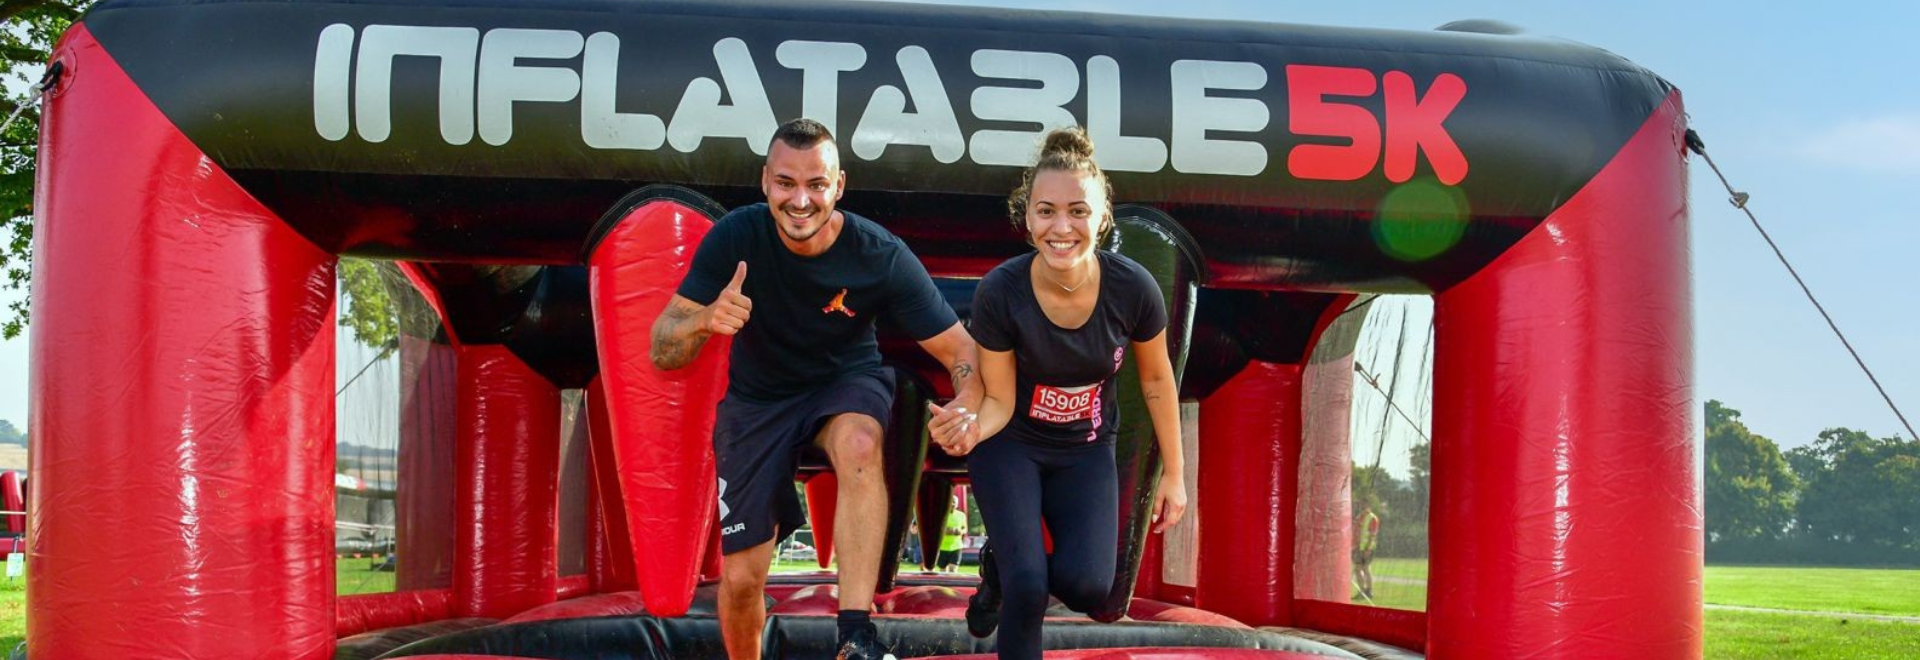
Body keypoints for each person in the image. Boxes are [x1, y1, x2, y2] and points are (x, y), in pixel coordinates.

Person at [650, 118, 984, 660]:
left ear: (840, 186)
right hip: (759, 401)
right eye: (786, 183)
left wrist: (967, 402)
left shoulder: (879, 253)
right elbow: (662, 347)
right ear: (765, 182)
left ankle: (856, 635)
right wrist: (704, 320)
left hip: (843, 383)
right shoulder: (736, 237)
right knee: (739, 582)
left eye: (816, 185)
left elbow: (960, 350)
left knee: (859, 443)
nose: (800, 200)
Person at [924, 127, 1188, 660]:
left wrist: (1176, 476)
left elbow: (1158, 381)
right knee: (1029, 585)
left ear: (1103, 215)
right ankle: (1011, 571)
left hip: (1085, 447)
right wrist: (971, 426)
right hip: (1011, 443)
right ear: (1027, 218)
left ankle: (1000, 566)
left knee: (1090, 587)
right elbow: (996, 400)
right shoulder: (1001, 290)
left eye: (1078, 211)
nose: (1061, 227)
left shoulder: (1133, 288)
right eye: (1046, 211)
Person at [1353, 506, 1381, 600]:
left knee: (1365, 568)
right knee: (1358, 569)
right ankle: (1362, 591)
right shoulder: (1359, 517)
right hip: (1358, 547)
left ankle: (1368, 591)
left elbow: (1373, 535)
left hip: (1366, 548)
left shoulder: (1372, 518)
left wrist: (1368, 549)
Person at [937, 496, 967, 572]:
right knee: (943, 570)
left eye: (954, 502)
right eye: (951, 502)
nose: (952, 504)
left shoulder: (961, 515)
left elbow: (965, 529)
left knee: (953, 569)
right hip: (942, 547)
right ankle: (943, 584)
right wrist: (945, 531)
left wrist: (960, 531)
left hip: (956, 547)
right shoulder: (941, 514)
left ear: (957, 504)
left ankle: (953, 584)